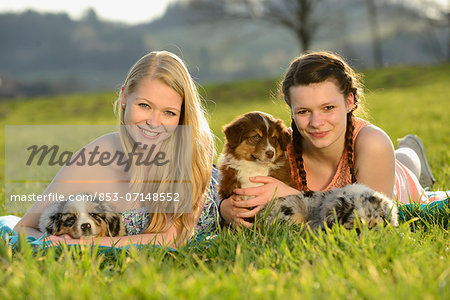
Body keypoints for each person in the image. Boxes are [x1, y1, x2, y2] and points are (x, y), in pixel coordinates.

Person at [13, 50, 219, 247]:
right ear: (124, 97)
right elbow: (22, 228)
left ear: (182, 115)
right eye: (144, 106)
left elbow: (175, 239)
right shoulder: (91, 159)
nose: (154, 123)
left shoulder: (196, 144)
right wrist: (51, 242)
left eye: (169, 113)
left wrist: (83, 245)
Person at [219, 51, 436, 228]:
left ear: (349, 101)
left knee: (406, 163)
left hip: (395, 182)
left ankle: (410, 150)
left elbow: (371, 218)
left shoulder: (372, 143)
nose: (316, 122)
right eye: (304, 111)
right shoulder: (281, 148)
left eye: (328, 108)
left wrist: (294, 196)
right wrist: (224, 208)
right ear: (291, 111)